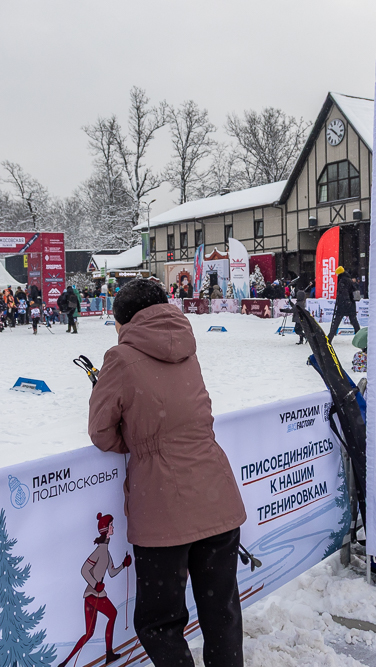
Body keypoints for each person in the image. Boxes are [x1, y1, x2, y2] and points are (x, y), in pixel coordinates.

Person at [88, 278, 246, 667]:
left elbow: (101, 432)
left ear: (123, 321)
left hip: (163, 510)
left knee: (159, 622)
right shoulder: (187, 347)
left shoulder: (120, 357)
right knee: (220, 610)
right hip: (217, 498)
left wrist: (142, 443)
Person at [57, 514, 130, 667]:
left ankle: (64, 663)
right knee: (112, 614)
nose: (113, 528)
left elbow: (111, 572)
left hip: (93, 594)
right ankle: (108, 653)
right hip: (94, 593)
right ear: (105, 530)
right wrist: (95, 584)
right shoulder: (100, 552)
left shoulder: (106, 552)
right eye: (111, 525)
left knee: (89, 633)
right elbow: (84, 570)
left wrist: (124, 565)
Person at [328, 266, 361, 341]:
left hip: (343, 304)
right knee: (354, 321)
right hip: (351, 304)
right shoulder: (349, 279)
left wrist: (346, 301)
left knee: (336, 321)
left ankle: (330, 338)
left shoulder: (342, 281)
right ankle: (359, 336)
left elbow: (344, 292)